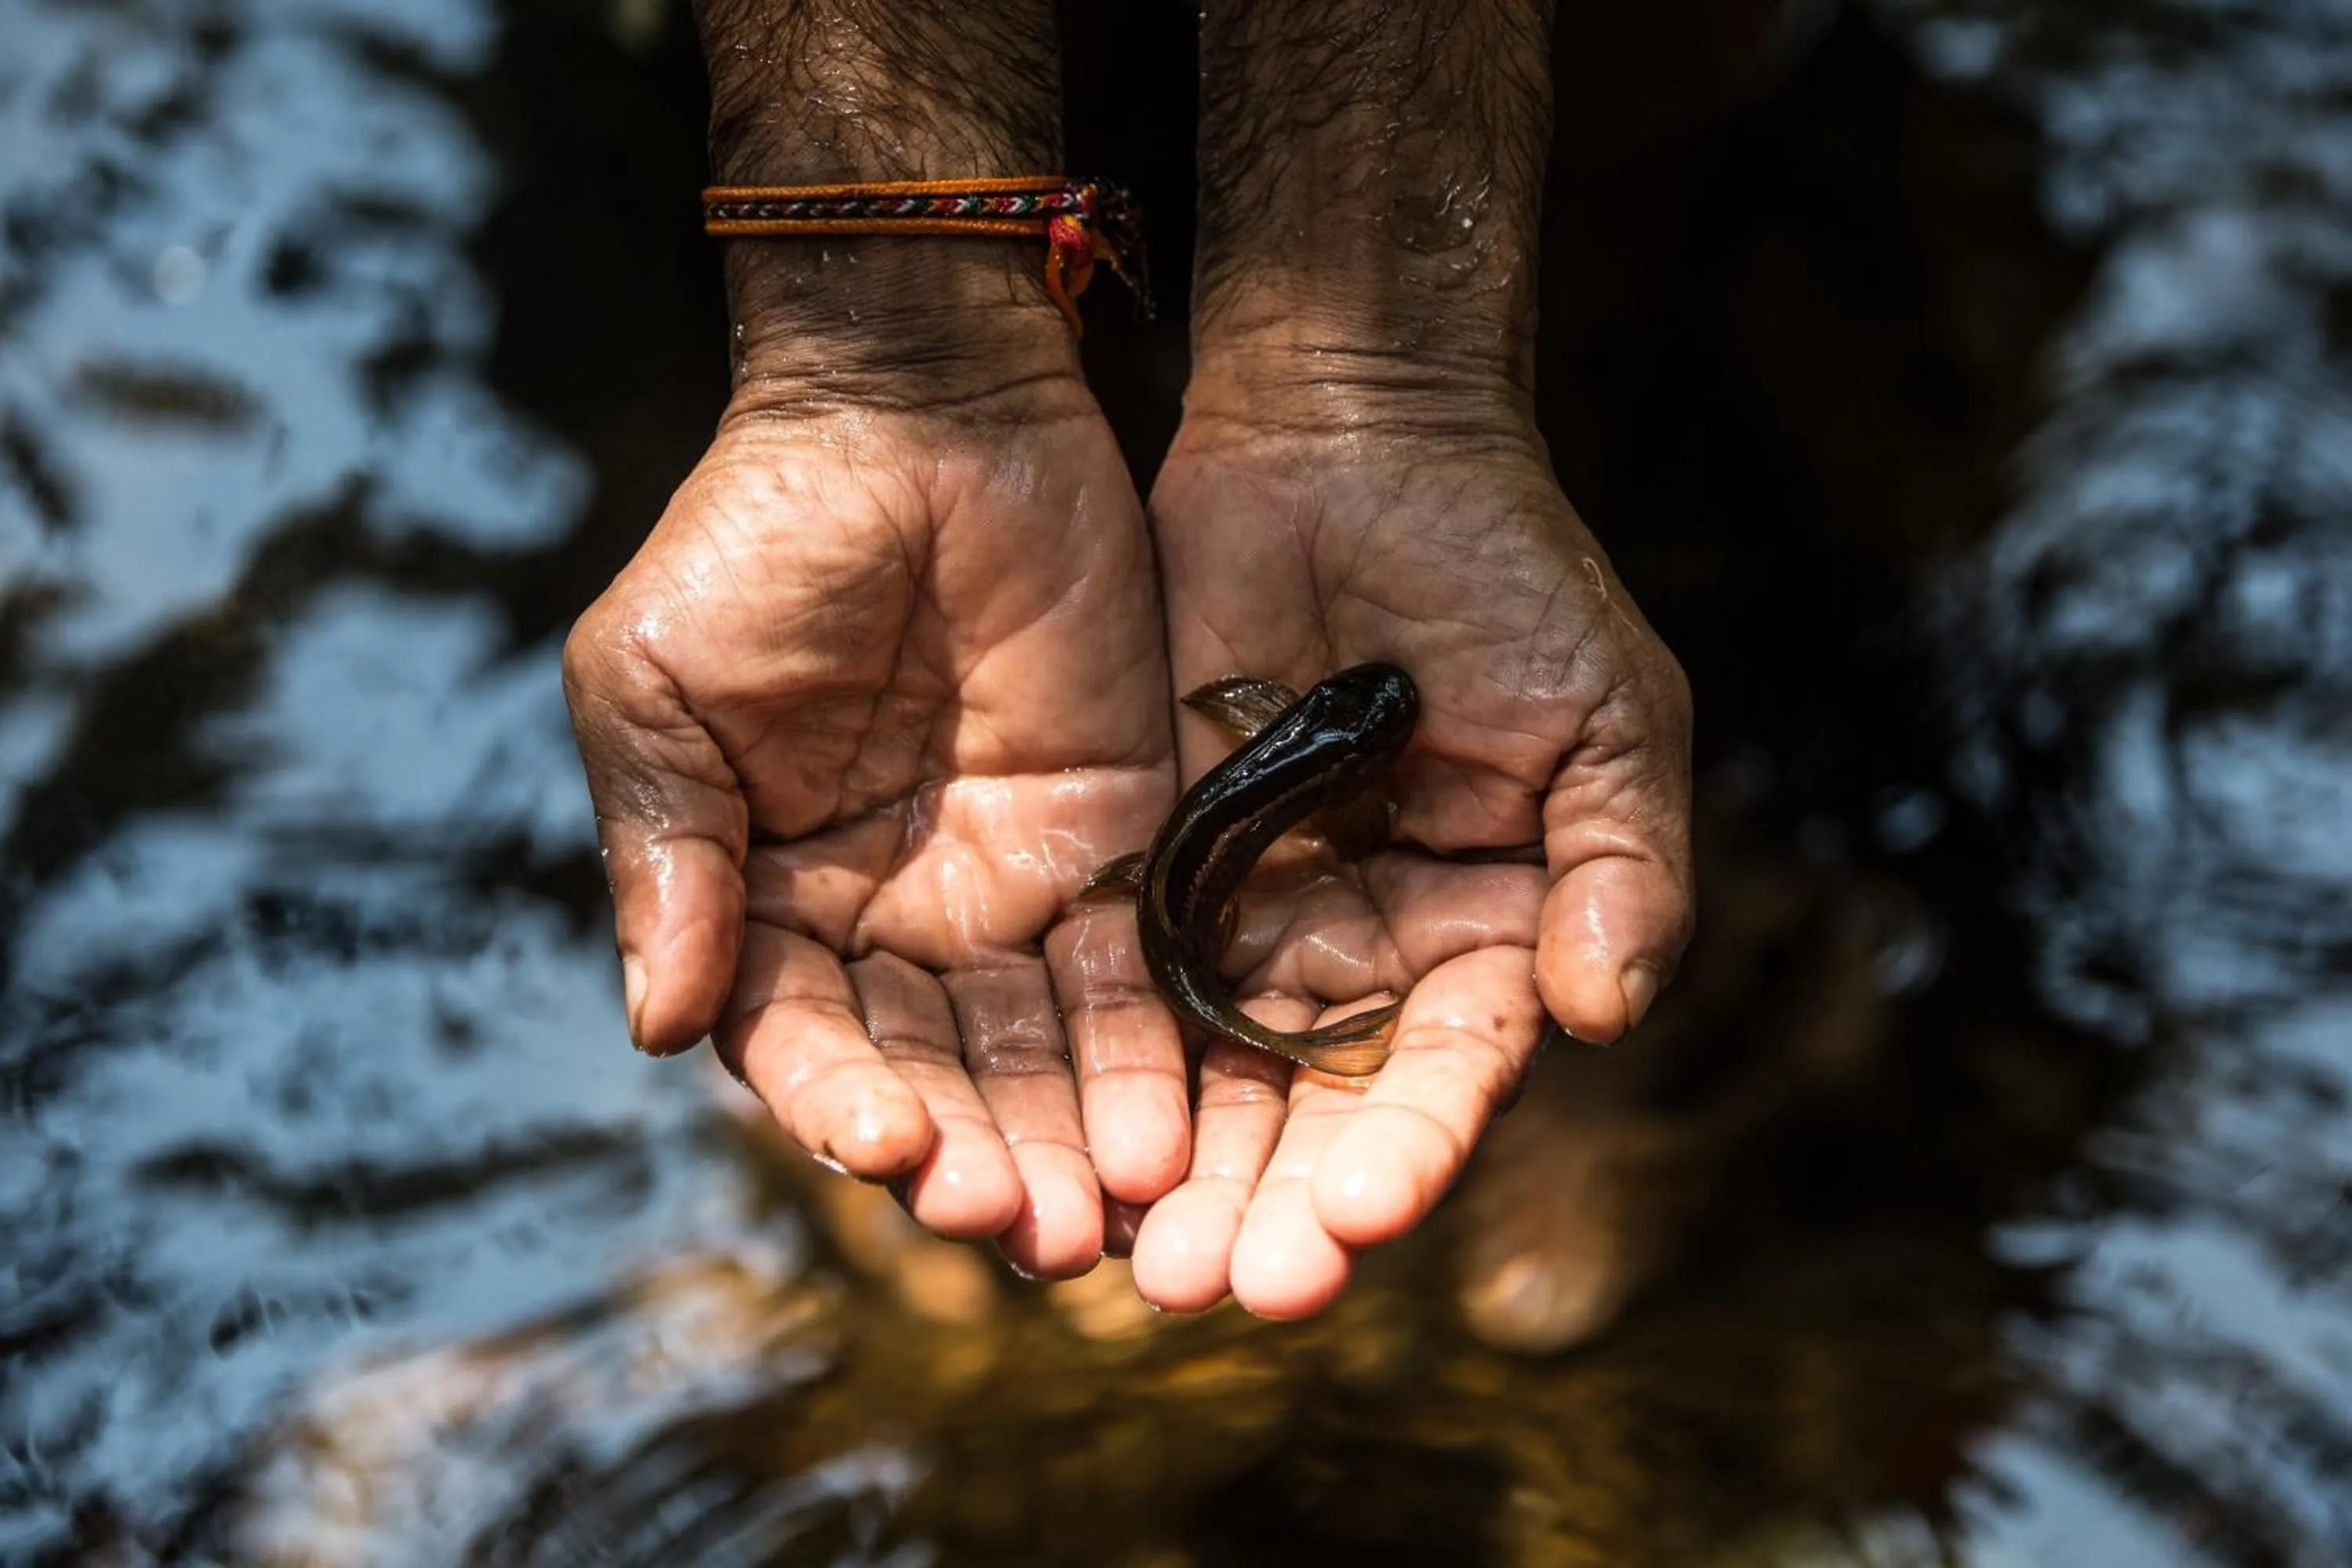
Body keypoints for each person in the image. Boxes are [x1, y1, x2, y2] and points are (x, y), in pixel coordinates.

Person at [561, 0, 1693, 1320]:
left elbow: (1260, 732)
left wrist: (1389, 366)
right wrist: (880, 355)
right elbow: (1276, 744)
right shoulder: (1305, 771)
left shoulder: (1285, 753)